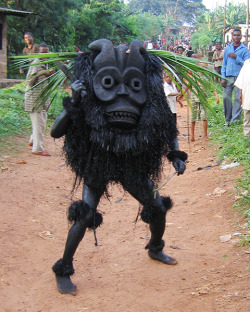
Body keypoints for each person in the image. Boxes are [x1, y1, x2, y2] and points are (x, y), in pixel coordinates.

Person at [50, 39, 187, 295]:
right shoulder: (87, 98)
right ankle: (63, 267)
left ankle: (155, 248)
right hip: (98, 163)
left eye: (133, 84)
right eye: (111, 84)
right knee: (85, 215)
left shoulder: (151, 98)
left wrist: (176, 154)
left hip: (131, 164)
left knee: (157, 207)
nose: (123, 93)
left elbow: (167, 124)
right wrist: (75, 103)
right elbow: (56, 131)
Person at [25, 43, 55, 156]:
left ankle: (33, 140)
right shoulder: (36, 63)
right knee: (39, 123)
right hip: (34, 99)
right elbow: (29, 81)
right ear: (38, 52)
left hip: (40, 98)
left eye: (46, 52)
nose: (45, 54)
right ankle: (38, 148)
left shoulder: (44, 63)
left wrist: (47, 74)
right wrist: (43, 73)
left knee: (42, 121)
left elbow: (41, 78)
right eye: (43, 52)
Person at [221, 28, 249, 126]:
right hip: (228, 76)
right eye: (234, 35)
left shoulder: (244, 49)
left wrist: (237, 58)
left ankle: (235, 120)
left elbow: (247, 64)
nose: (236, 37)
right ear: (232, 36)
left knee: (238, 98)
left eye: (238, 35)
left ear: (241, 37)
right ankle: (227, 119)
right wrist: (222, 77)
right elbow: (224, 63)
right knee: (226, 97)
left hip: (239, 77)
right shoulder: (228, 48)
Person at [234, 59, 250, 136]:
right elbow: (241, 80)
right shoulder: (246, 63)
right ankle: (247, 136)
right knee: (247, 117)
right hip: (247, 93)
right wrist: (240, 93)